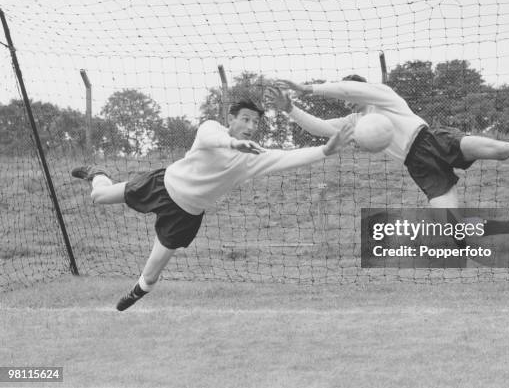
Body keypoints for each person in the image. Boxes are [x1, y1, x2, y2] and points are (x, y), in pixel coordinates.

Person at [71, 99, 353, 311]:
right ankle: (97, 173)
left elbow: (287, 157)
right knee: (99, 197)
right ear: (231, 119)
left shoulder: (253, 156)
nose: (251, 127)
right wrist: (232, 144)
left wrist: (325, 150)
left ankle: (135, 293)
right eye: (245, 120)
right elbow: (212, 138)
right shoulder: (212, 128)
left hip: (186, 215)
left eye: (255, 123)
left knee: (151, 275)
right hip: (161, 186)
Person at [267, 75, 509, 236]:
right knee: (455, 234)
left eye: (350, 94)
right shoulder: (355, 124)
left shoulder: (385, 96)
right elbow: (320, 129)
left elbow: (347, 87)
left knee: (500, 150)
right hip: (419, 165)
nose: (347, 99)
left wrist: (308, 89)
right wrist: (289, 109)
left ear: (362, 91)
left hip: (434, 140)